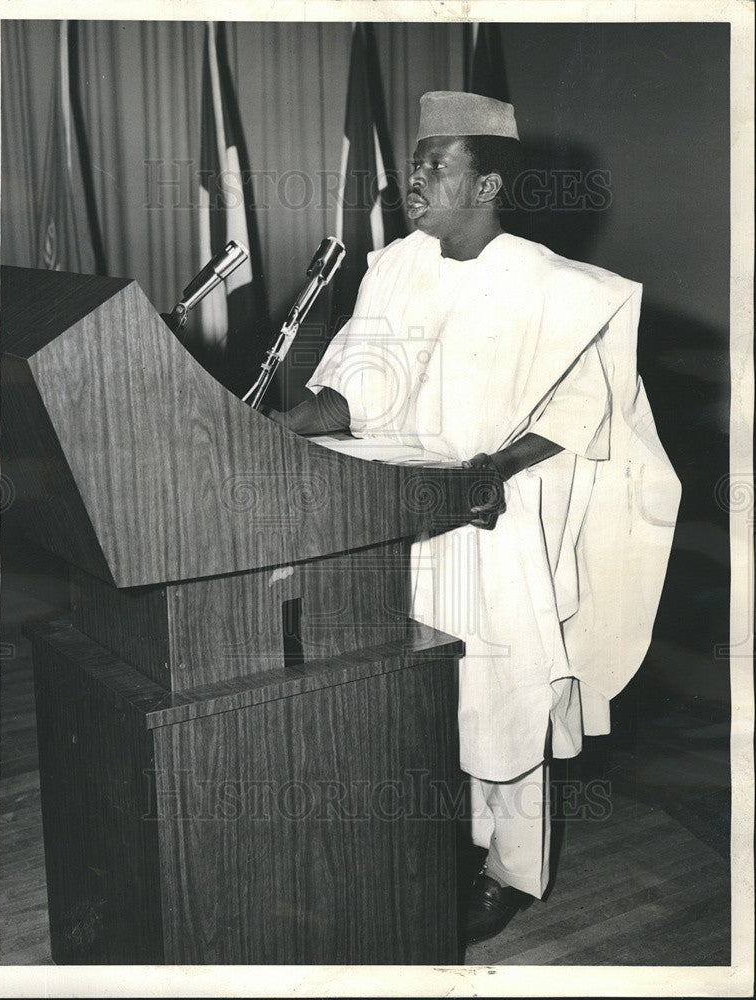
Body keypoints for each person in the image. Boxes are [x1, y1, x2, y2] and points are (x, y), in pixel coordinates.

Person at [269, 91, 681, 944]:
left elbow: (582, 410)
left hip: (496, 517)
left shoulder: (556, 286)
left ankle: (511, 870)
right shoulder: (395, 267)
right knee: (425, 691)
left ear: (487, 181)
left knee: (504, 695)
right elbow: (359, 387)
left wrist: (495, 466)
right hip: (398, 512)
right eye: (414, 164)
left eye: (434, 166)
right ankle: (445, 841)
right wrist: (288, 420)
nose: (412, 180)